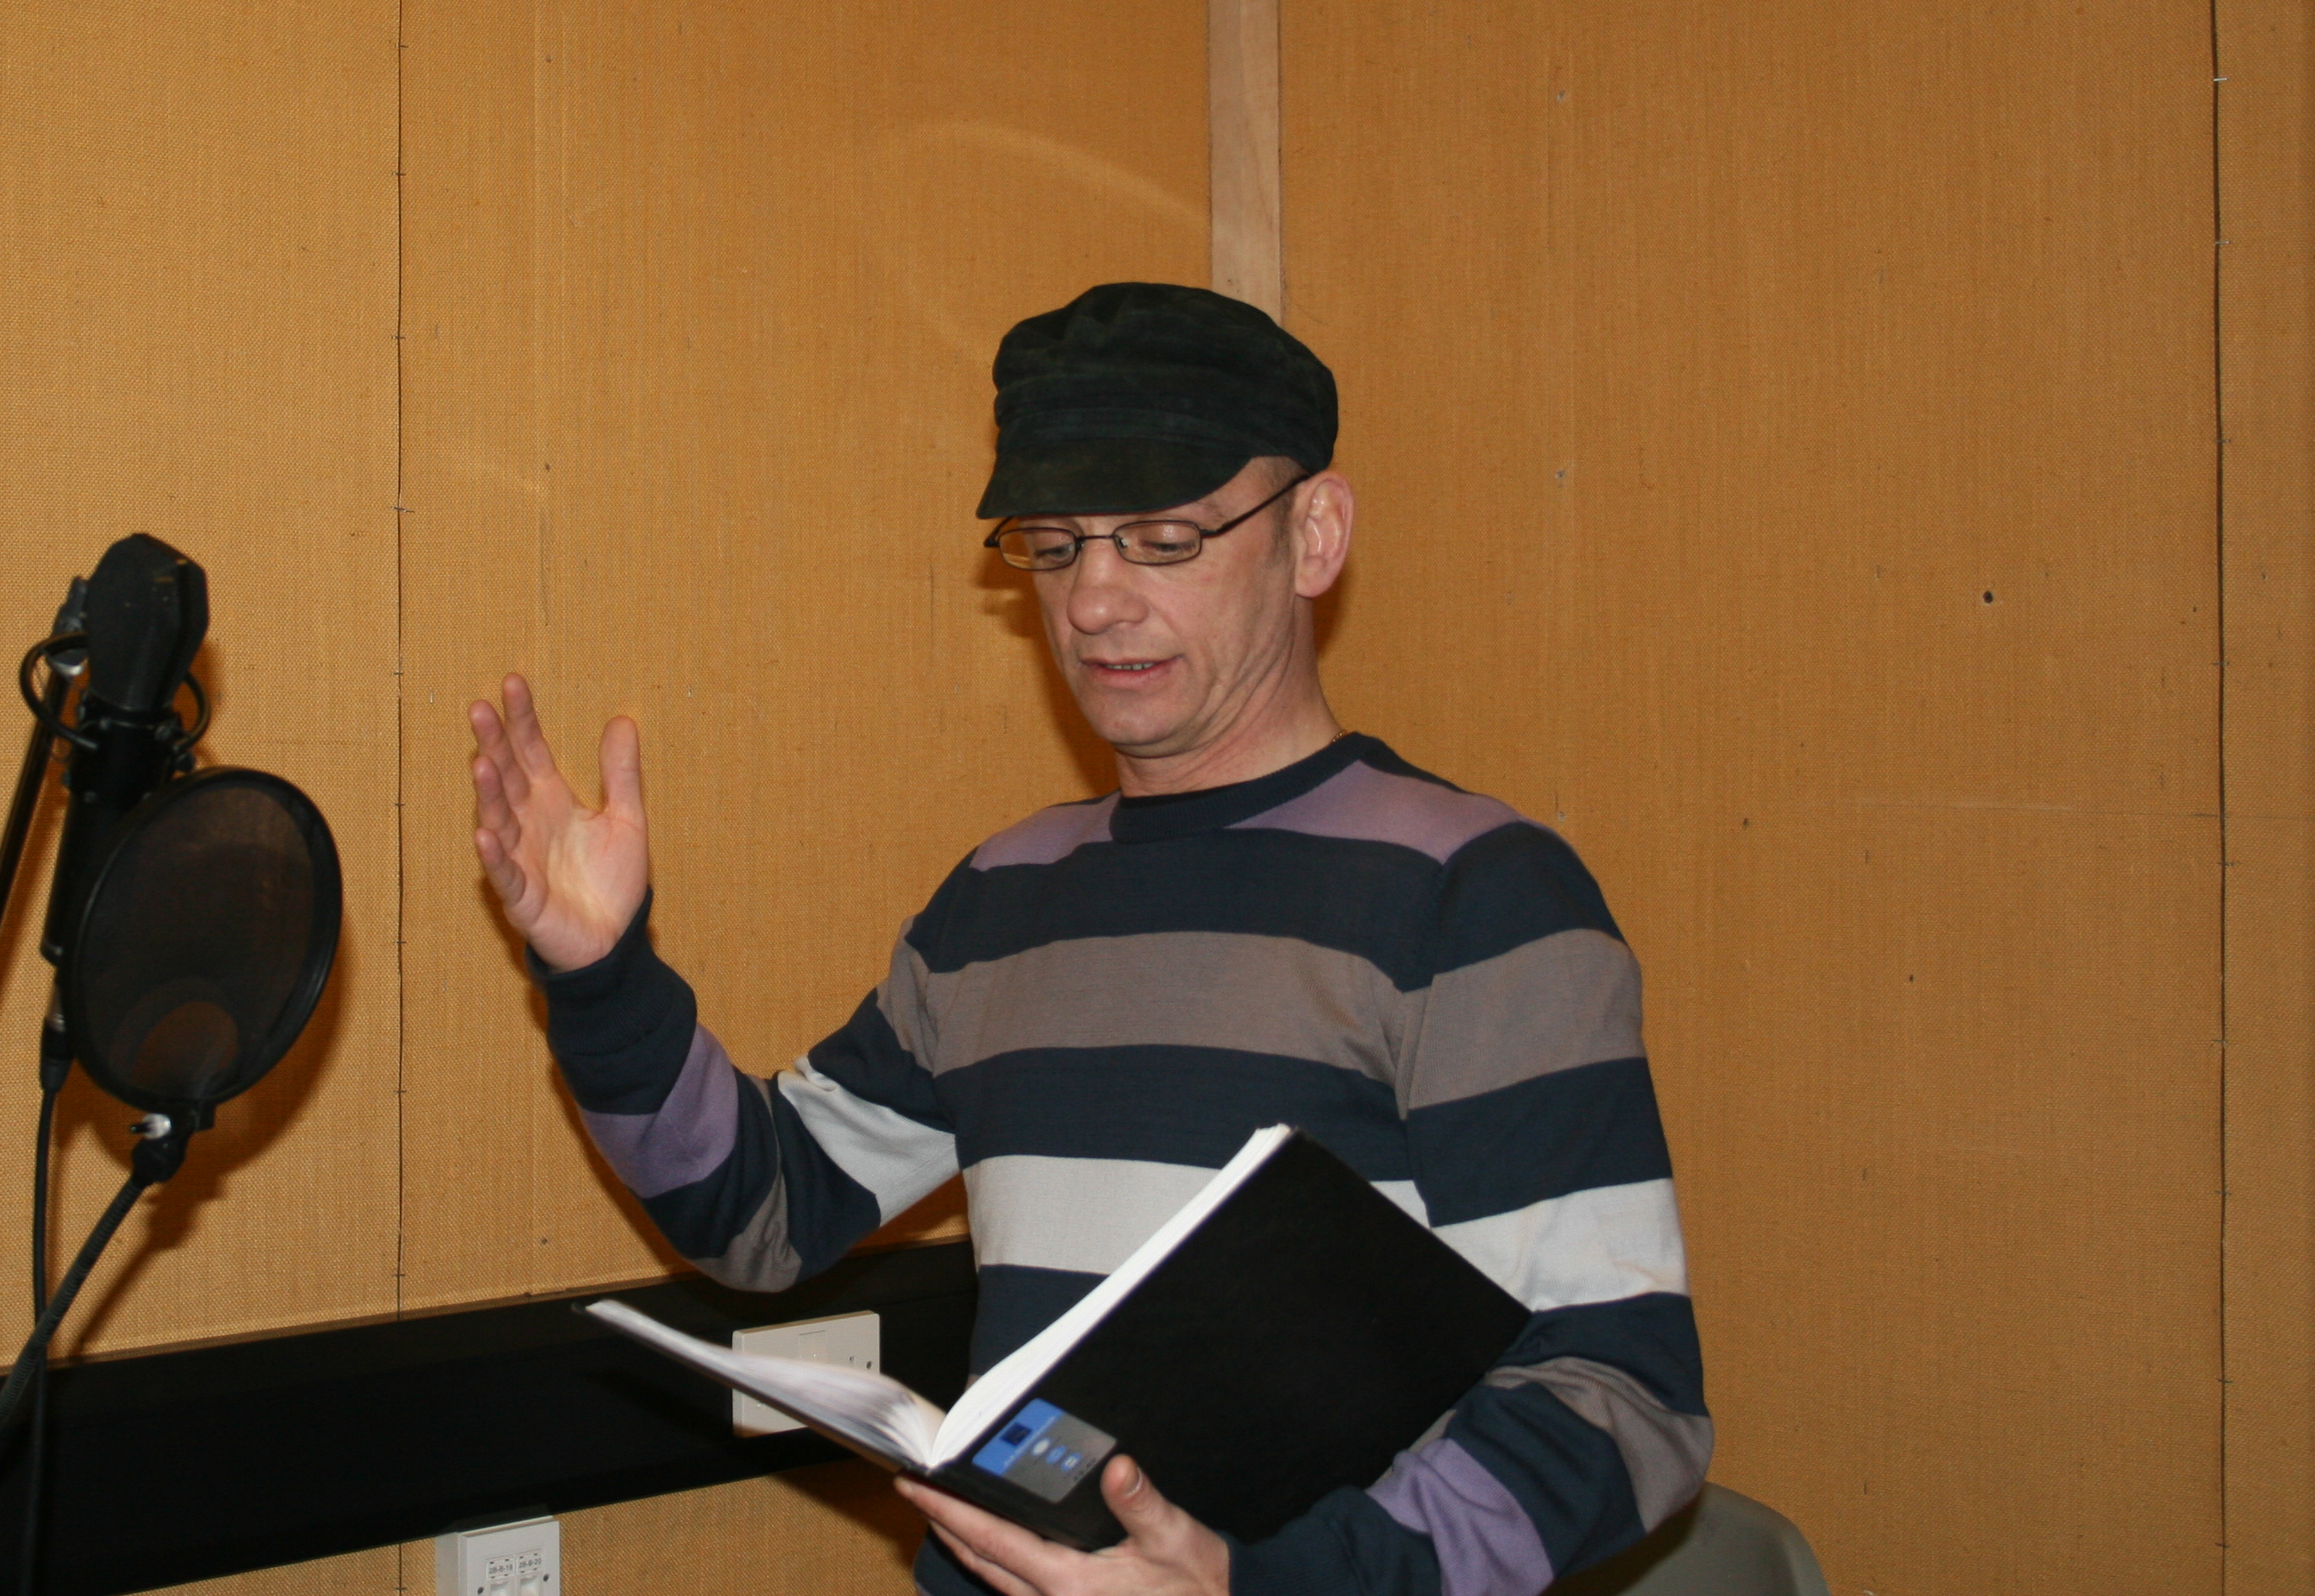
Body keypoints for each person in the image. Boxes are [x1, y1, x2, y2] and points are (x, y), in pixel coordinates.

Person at [466, 283, 1708, 1596]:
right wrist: (601, 978)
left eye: (1163, 538)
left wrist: (1260, 1582)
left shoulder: (1476, 898)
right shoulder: (1000, 898)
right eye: (1054, 547)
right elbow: (763, 1214)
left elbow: (1622, 1396)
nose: (1094, 602)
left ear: (1315, 534)